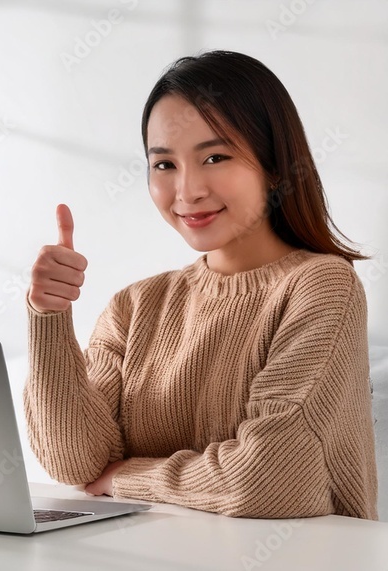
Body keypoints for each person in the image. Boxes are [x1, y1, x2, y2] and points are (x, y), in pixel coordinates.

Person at [23, 50, 377, 520]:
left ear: (274, 165)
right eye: (164, 165)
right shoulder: (134, 306)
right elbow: (75, 462)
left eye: (214, 156)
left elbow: (268, 479)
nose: (187, 191)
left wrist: (125, 477)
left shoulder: (321, 286)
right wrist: (48, 316)